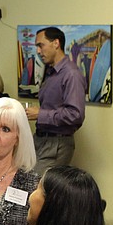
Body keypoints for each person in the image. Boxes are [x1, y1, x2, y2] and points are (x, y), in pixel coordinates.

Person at [25, 27, 86, 174]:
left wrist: (40, 115)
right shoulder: (51, 72)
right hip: (40, 140)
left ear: (56, 43)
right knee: (24, 182)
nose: (38, 51)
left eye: (41, 45)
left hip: (57, 143)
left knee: (36, 188)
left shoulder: (71, 74)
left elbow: (75, 114)